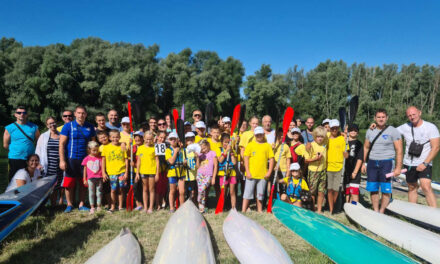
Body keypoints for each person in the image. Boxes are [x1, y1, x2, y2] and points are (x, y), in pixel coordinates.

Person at [397, 106, 439, 207]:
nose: (412, 117)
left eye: (414, 114)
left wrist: (425, 163)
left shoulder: (430, 127)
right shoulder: (405, 127)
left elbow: (436, 147)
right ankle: (413, 213)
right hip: (409, 163)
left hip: (424, 163)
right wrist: (375, 127)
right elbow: (390, 132)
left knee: (426, 187)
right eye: (409, 115)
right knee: (411, 187)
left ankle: (435, 215)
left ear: (419, 113)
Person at [362, 109, 402, 213]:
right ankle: (375, 210)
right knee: (373, 188)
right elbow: (366, 148)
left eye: (383, 117)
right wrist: (363, 163)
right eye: (378, 117)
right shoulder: (370, 130)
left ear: (387, 118)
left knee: (385, 189)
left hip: (387, 163)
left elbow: (399, 150)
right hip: (372, 162)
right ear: (375, 118)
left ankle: (382, 211)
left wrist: (398, 167)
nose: (381, 119)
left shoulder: (393, 131)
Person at [59, 106, 96, 213]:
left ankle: (81, 204)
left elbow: (93, 144)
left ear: (86, 114)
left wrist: (92, 159)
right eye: (79, 113)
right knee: (69, 183)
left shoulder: (90, 126)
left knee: (83, 183)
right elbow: (61, 144)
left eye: (83, 113)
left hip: (85, 160)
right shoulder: (67, 126)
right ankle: (69, 204)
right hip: (71, 159)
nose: (81, 115)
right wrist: (62, 160)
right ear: (75, 114)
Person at [242, 126, 275, 213]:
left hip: (263, 175)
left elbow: (272, 159)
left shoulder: (267, 146)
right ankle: (243, 210)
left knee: (260, 195)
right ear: (254, 135)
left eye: (260, 134)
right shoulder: (250, 145)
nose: (259, 136)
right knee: (247, 194)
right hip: (251, 174)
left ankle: (259, 210)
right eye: (257, 135)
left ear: (263, 134)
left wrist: (269, 171)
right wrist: (247, 171)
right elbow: (246, 158)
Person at [3, 106, 40, 182]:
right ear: (15, 115)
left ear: (27, 115)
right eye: (19, 113)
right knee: (14, 181)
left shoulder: (34, 127)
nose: (21, 114)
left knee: (29, 180)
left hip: (29, 159)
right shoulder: (9, 128)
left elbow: (39, 143)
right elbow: (5, 145)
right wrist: (16, 151)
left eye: (24, 113)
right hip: (15, 159)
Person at [36, 116, 64, 206]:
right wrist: (38, 164)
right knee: (47, 187)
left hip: (59, 165)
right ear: (47, 125)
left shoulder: (61, 135)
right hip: (47, 165)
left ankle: (53, 205)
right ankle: (42, 206)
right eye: (50, 123)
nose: (52, 125)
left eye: (54, 122)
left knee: (56, 186)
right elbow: (38, 151)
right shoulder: (43, 136)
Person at [101, 129, 128, 212]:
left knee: (121, 189)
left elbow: (126, 160)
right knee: (113, 190)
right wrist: (103, 172)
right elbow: (103, 160)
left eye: (117, 137)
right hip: (112, 172)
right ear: (109, 138)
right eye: (113, 137)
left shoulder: (122, 147)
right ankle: (112, 206)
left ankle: (120, 206)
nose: (115, 139)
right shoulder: (106, 148)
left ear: (119, 137)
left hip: (122, 172)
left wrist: (126, 172)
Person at [326, 119, 349, 214]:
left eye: (336, 128)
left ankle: (335, 206)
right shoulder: (326, 137)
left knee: (336, 190)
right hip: (328, 167)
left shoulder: (343, 139)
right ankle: (331, 209)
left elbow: (346, 154)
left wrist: (346, 155)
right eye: (332, 128)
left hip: (339, 168)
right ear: (330, 128)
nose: (334, 130)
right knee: (329, 189)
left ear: (338, 128)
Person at [304, 126, 327, 213]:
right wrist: (315, 159)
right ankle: (312, 208)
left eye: (321, 136)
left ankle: (319, 210)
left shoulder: (325, 142)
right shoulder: (311, 145)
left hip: (323, 170)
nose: (320, 138)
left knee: (321, 191)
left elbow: (332, 133)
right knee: (312, 192)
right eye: (318, 136)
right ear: (314, 136)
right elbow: (306, 160)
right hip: (313, 171)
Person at [136, 131, 159, 213]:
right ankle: (145, 207)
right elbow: (138, 161)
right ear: (144, 139)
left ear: (153, 139)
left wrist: (157, 173)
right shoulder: (140, 148)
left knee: (151, 189)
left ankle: (151, 207)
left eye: (150, 139)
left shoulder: (155, 147)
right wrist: (137, 173)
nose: (149, 141)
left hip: (152, 171)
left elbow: (157, 161)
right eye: (147, 139)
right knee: (145, 189)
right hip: (143, 171)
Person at [166, 132, 187, 212]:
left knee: (182, 191)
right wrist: (175, 152)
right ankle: (172, 207)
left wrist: (185, 162)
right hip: (172, 173)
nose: (173, 141)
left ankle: (182, 207)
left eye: (175, 139)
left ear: (178, 140)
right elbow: (171, 161)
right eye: (171, 139)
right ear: (169, 140)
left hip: (181, 172)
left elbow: (185, 160)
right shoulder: (168, 150)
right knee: (172, 191)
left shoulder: (182, 150)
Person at [217, 133, 238, 209]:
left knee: (232, 191)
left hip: (231, 173)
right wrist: (226, 151)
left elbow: (234, 162)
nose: (227, 144)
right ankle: (221, 207)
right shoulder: (220, 150)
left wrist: (231, 153)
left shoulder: (232, 150)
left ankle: (233, 207)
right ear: (222, 142)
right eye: (225, 142)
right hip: (223, 173)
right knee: (223, 191)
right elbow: (220, 160)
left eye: (228, 142)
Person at [196, 140, 218, 213]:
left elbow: (215, 166)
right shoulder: (200, 155)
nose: (203, 150)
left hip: (208, 175)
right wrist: (197, 158)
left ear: (208, 146)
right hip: (200, 174)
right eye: (201, 149)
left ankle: (198, 201)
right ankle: (201, 207)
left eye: (204, 148)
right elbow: (198, 166)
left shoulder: (212, 153)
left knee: (202, 189)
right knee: (202, 191)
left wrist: (214, 177)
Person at [82, 141, 103, 214]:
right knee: (91, 193)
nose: (95, 152)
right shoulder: (86, 159)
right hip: (90, 179)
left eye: (97, 150)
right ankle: (92, 206)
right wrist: (84, 179)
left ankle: (99, 206)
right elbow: (84, 170)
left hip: (99, 178)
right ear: (89, 150)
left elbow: (102, 167)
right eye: (94, 150)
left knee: (99, 192)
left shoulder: (100, 158)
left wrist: (103, 175)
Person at [344, 124, 363, 203]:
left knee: (354, 192)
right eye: (351, 130)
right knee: (347, 191)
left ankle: (355, 206)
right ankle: (347, 205)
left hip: (355, 171)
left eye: (355, 130)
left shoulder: (359, 144)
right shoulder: (344, 142)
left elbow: (360, 159)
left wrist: (355, 172)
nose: (353, 132)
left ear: (358, 133)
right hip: (345, 171)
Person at [97, 130, 112, 209]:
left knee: (112, 187)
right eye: (101, 138)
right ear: (99, 140)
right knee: (105, 187)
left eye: (105, 137)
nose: (103, 139)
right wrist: (103, 172)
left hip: (113, 169)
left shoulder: (112, 145)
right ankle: (107, 203)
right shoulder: (99, 148)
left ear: (108, 137)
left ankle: (113, 203)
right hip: (104, 170)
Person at [155, 131, 169, 209]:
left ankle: (163, 201)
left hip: (165, 169)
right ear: (157, 137)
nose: (162, 139)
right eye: (161, 137)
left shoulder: (166, 146)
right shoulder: (154, 145)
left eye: (164, 138)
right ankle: (157, 204)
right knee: (158, 188)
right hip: (157, 169)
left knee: (163, 187)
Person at [185, 132, 199, 203]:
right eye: (188, 140)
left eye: (192, 139)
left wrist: (197, 158)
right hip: (186, 175)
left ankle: (194, 203)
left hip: (194, 175)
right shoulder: (184, 151)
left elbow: (198, 165)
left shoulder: (196, 150)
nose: (190, 141)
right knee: (187, 191)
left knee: (193, 191)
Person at [132, 131, 144, 210]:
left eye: (139, 139)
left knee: (143, 188)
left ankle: (144, 203)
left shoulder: (144, 147)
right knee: (136, 187)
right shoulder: (133, 147)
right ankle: (138, 203)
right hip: (135, 171)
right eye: (135, 139)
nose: (137, 140)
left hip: (144, 170)